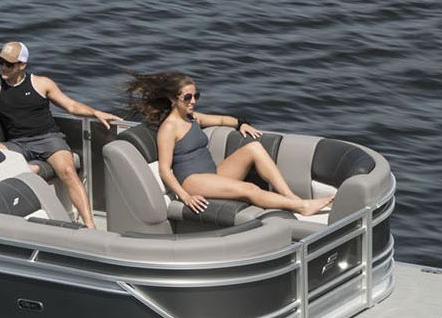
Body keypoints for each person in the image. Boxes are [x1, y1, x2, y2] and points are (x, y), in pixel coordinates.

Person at [0, 41, 120, 229]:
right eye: (1, 62)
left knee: (68, 172)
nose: (4, 67)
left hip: (48, 139)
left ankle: (90, 226)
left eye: (9, 64)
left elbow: (71, 106)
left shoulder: (41, 83)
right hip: (18, 144)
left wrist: (95, 113)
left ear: (22, 65)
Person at [124, 71, 332, 217]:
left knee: (254, 148)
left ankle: (291, 197)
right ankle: (301, 207)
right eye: (187, 97)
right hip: (193, 181)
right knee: (249, 189)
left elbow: (222, 120)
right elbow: (165, 170)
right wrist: (185, 197)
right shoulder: (169, 128)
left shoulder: (193, 117)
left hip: (213, 173)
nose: (193, 101)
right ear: (173, 99)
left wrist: (241, 124)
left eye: (196, 96)